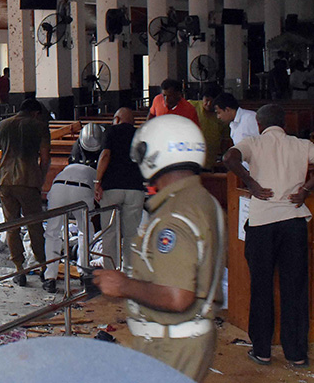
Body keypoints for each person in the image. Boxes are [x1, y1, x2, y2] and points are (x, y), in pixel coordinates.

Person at [93, 115, 225, 381]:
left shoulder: (174, 216)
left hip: (171, 346)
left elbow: (178, 296)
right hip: (187, 338)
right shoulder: (202, 200)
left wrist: (122, 286)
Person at [223, 104, 314, 367]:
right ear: (284, 123)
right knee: (294, 289)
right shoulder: (300, 144)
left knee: (260, 287)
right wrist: (306, 189)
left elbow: (229, 158)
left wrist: (251, 183)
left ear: (260, 124)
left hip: (262, 224)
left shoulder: (253, 142)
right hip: (293, 221)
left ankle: (262, 350)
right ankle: (296, 354)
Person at [0, 98, 51, 287]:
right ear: (36, 113)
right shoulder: (40, 127)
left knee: (12, 226)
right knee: (34, 225)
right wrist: (41, 178)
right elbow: (45, 158)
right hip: (28, 181)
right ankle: (44, 267)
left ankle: (19, 269)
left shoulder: (1, 125)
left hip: (4, 181)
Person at [94, 108, 145, 270]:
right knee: (131, 234)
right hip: (135, 189)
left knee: (110, 233)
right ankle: (130, 272)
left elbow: (105, 155)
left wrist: (97, 181)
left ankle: (111, 271)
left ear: (116, 119)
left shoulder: (112, 131)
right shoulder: (141, 135)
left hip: (112, 188)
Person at [42, 161, 97, 293]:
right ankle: (84, 273)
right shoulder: (94, 171)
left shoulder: (67, 169)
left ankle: (50, 278)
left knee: (52, 233)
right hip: (82, 190)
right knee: (85, 231)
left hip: (58, 188)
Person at [188, 84, 231, 170]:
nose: (209, 104)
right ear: (202, 98)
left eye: (213, 101)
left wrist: (222, 157)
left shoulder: (223, 114)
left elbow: (225, 139)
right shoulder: (190, 106)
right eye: (206, 100)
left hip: (210, 160)